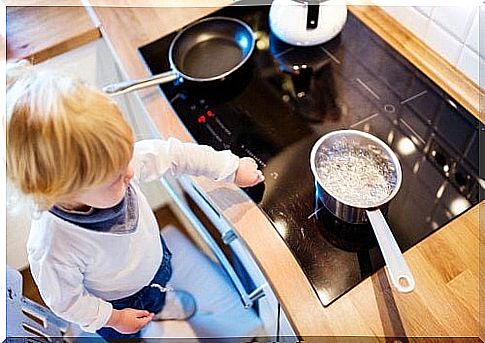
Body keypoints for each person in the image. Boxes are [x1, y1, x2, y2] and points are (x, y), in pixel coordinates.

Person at [6, 61, 265, 340]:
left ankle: (163, 303)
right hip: (115, 304)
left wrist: (231, 168)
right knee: (128, 335)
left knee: (160, 287)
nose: (131, 171)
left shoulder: (114, 165)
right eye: (116, 177)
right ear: (60, 190)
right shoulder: (53, 244)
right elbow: (67, 302)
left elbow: (174, 155)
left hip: (153, 260)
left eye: (127, 157)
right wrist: (114, 318)